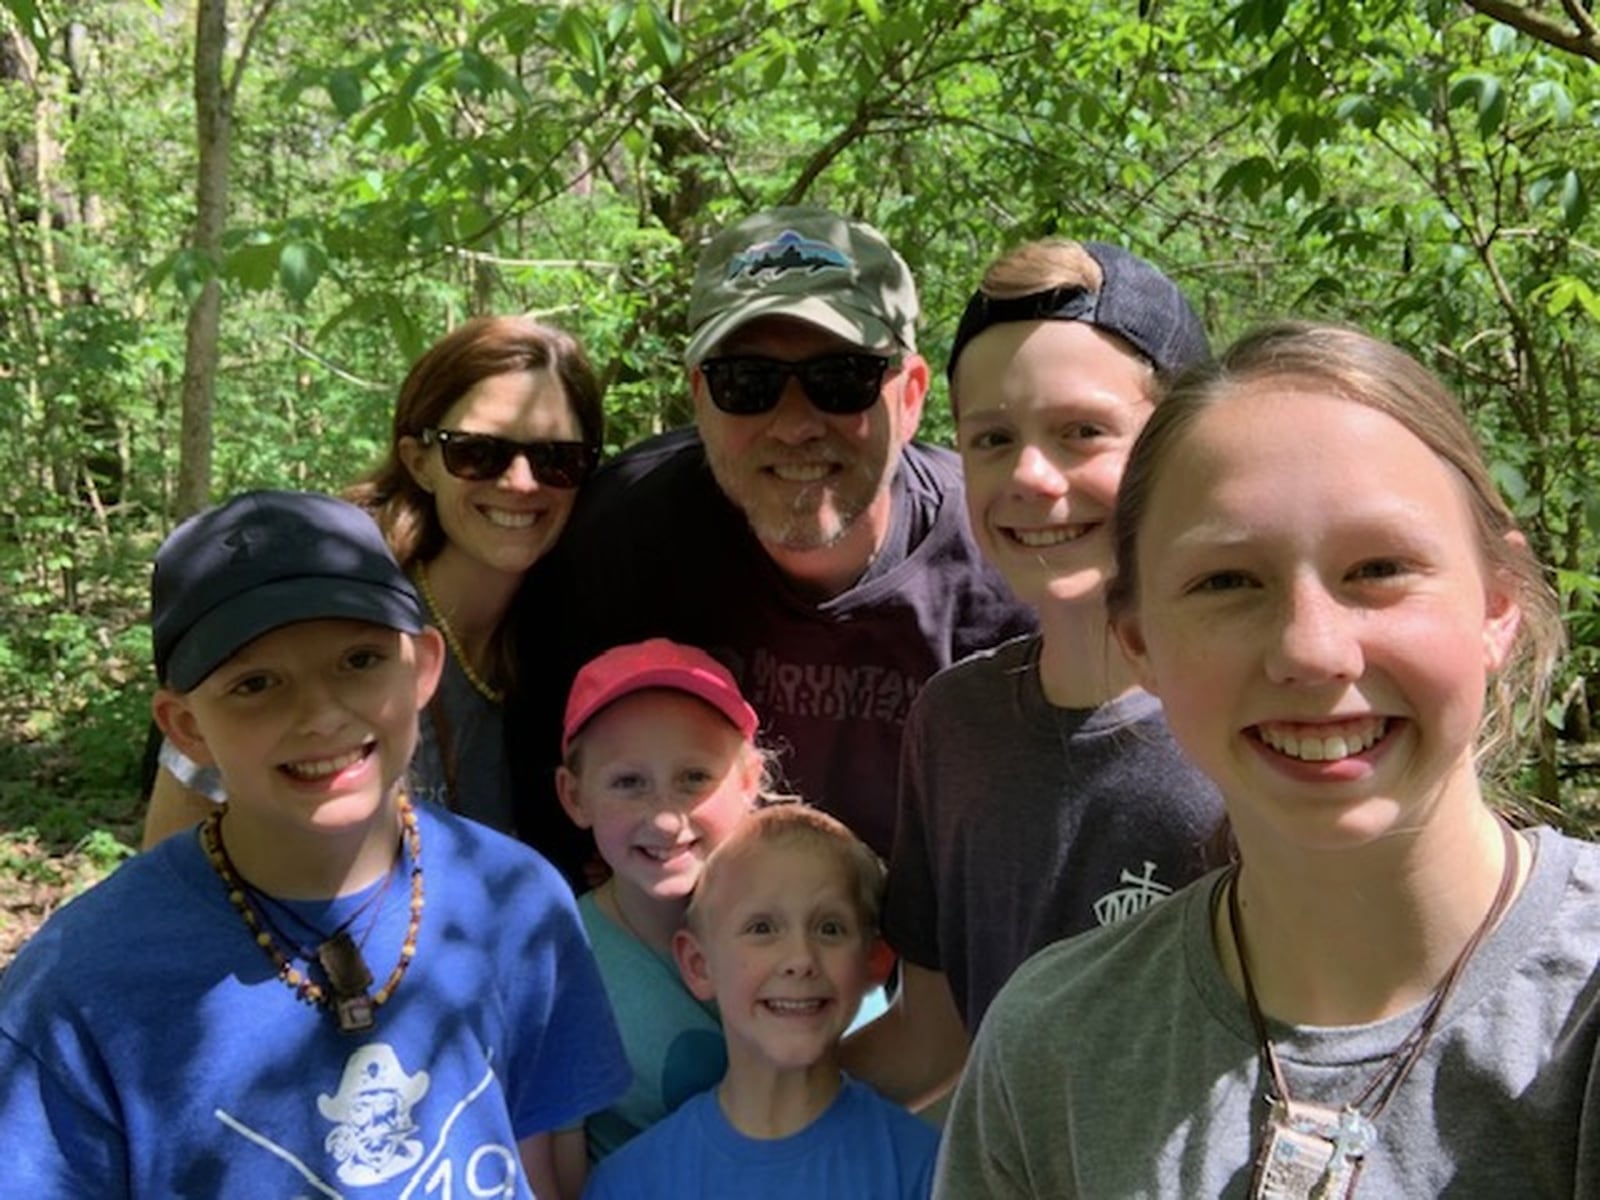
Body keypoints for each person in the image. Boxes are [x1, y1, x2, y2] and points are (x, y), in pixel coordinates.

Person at [934, 322, 1600, 1197]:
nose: (1312, 651)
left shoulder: (1577, 1021)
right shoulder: (1053, 1044)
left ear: (1499, 603)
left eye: (1379, 568)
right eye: (1227, 582)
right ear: (1139, 644)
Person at [0, 490, 628, 1198]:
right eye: (256, 683)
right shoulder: (84, 985)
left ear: (423, 667)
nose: (321, 713)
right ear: (186, 727)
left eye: (359, 660)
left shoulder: (514, 900)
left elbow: (541, 1156)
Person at [514, 205, 1036, 880]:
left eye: (841, 379)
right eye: (747, 384)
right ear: (700, 396)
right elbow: (543, 811)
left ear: (909, 397)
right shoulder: (615, 541)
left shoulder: (1007, 561)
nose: (794, 425)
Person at [846, 239, 1226, 1111]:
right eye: (992, 439)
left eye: (1082, 432)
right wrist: (737, 1107)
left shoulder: (1249, 722)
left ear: (1186, 443)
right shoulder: (955, 721)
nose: (1029, 475)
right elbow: (932, 1036)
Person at [140, 315, 604, 850]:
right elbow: (168, 865)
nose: (521, 482)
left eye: (557, 459)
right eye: (478, 452)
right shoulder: (323, 613)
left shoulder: (577, 635)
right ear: (419, 462)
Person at [584, 802, 939, 1199]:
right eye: (763, 927)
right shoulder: (632, 1184)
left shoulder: (926, 1171)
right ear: (699, 964)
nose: (801, 959)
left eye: (830, 928)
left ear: (873, 960)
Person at [554, 638, 767, 1169]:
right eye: (629, 783)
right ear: (574, 796)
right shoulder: (562, 964)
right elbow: (556, 1172)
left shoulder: (806, 924)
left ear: (749, 781)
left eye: (694, 778)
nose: (667, 819)